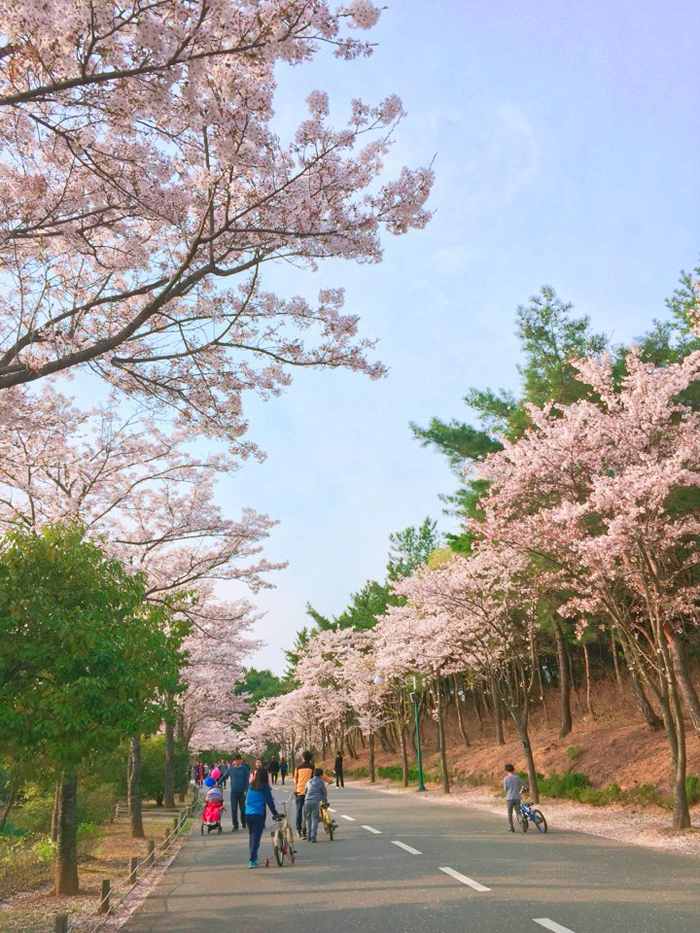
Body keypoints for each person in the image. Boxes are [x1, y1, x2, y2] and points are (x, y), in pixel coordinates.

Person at [245, 766, 281, 868]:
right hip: (257, 815)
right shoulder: (264, 786)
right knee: (256, 837)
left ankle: (254, 857)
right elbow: (269, 801)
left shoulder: (251, 784)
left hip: (247, 814)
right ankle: (252, 860)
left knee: (252, 836)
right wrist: (275, 813)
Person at [218, 754, 250, 832]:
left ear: (241, 760)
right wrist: (217, 783)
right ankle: (235, 825)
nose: (236, 761)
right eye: (235, 760)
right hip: (234, 792)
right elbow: (224, 777)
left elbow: (247, 781)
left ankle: (243, 822)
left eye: (238, 759)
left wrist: (246, 790)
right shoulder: (231, 769)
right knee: (234, 809)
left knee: (243, 809)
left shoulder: (245, 769)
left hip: (242, 792)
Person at [293, 750, 315, 838]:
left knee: (298, 811)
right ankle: (304, 831)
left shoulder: (298, 768)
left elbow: (295, 779)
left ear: (303, 758)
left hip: (299, 791)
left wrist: (298, 785)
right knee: (307, 813)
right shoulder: (312, 767)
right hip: (309, 792)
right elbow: (313, 778)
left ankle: (298, 829)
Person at [303, 768, 329, 842]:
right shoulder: (321, 782)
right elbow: (324, 793)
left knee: (308, 818)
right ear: (321, 775)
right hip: (315, 802)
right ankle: (313, 836)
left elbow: (305, 791)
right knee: (315, 818)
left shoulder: (309, 781)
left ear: (313, 774)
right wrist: (325, 802)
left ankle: (308, 835)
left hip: (307, 801)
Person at [504, 763, 527, 832]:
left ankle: (511, 827)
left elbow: (505, 790)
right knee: (518, 812)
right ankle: (521, 820)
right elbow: (523, 784)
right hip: (517, 797)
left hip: (510, 798)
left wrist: (508, 791)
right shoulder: (517, 777)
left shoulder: (506, 779)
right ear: (513, 770)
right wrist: (527, 787)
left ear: (506, 771)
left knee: (509, 813)